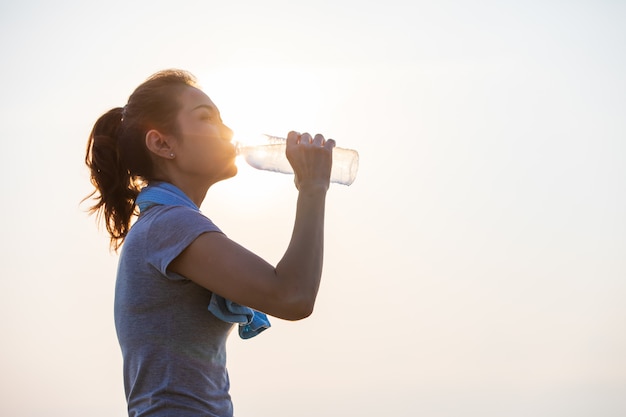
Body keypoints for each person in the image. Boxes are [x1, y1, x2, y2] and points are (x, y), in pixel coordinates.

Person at [84, 69, 335, 416]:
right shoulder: (169, 224)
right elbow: (293, 296)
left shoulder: (164, 221)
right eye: (206, 118)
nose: (228, 131)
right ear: (162, 144)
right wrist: (312, 187)